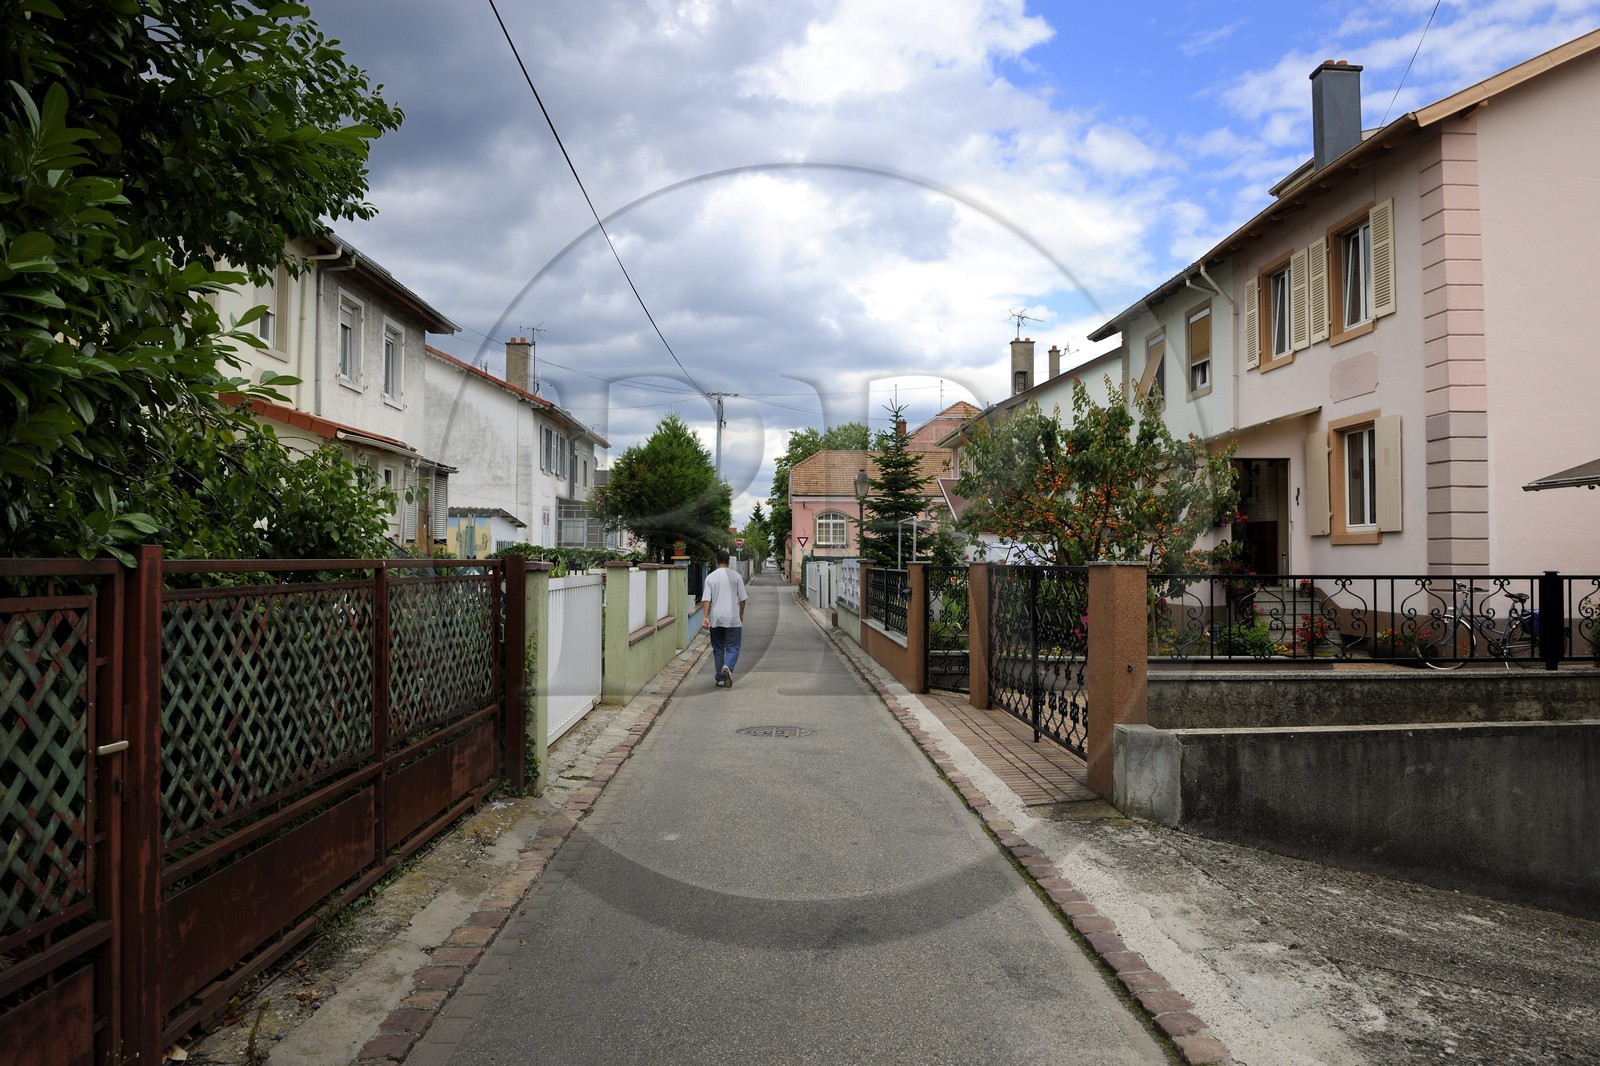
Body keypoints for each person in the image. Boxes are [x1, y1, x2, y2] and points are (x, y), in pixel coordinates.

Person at [701, 550, 748, 688]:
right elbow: (743, 598)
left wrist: (705, 616)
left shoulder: (710, 577)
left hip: (716, 618)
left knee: (718, 648)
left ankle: (721, 678)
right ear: (729, 561)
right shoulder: (736, 576)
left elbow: (706, 599)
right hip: (733, 618)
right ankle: (727, 666)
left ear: (716, 561)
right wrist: (741, 614)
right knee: (733, 647)